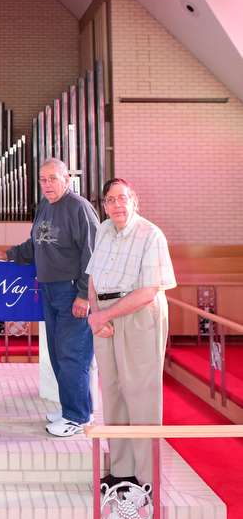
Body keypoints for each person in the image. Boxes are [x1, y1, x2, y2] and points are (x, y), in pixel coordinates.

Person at [0, 158, 99, 436]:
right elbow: (36, 243)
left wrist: (84, 295)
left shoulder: (79, 208)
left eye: (52, 178)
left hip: (72, 291)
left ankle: (78, 417)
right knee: (58, 354)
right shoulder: (44, 206)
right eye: (42, 180)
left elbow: (94, 254)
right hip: (49, 290)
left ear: (66, 179)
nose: (47, 184)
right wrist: (11, 254)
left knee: (72, 356)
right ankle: (71, 409)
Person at [87, 178, 176, 489]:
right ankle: (122, 470)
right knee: (112, 394)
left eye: (122, 198)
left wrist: (105, 315)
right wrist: (96, 316)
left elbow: (149, 290)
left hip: (139, 316)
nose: (116, 205)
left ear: (134, 201)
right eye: (110, 200)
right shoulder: (103, 230)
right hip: (106, 318)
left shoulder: (151, 234)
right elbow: (94, 276)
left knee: (141, 396)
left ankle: (146, 478)